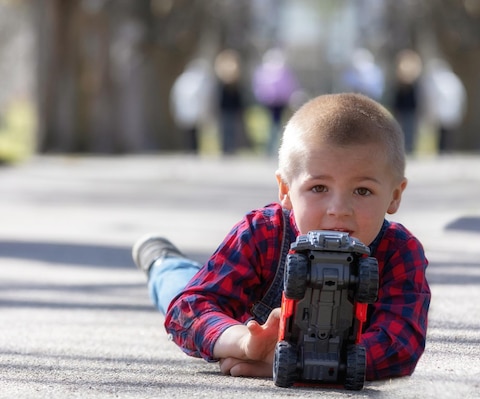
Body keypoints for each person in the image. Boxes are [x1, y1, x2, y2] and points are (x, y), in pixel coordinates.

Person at [131, 93, 431, 381]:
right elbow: (191, 309)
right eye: (319, 188)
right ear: (285, 189)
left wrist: (295, 363)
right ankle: (162, 261)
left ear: (394, 195)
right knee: (180, 286)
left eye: (362, 191)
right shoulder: (263, 232)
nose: (338, 210)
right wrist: (245, 345)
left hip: (324, 349)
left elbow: (401, 342)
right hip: (241, 320)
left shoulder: (398, 252)